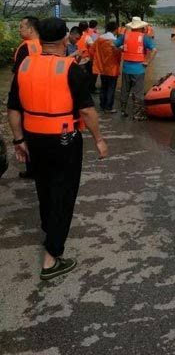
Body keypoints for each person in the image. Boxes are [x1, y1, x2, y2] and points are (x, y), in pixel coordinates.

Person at [7, 18, 108, 280]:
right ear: (65, 39)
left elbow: (13, 108)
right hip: (63, 140)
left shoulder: (25, 65)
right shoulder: (70, 68)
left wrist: (19, 141)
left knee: (44, 186)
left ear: (39, 40)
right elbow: (86, 109)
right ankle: (51, 258)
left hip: (34, 138)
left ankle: (48, 229)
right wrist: (98, 139)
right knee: (64, 192)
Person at [12, 16, 42, 178]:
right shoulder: (45, 44)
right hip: (43, 93)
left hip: (27, 96)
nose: (19, 29)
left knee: (27, 132)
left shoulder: (25, 48)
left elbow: (18, 76)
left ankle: (32, 169)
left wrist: (12, 100)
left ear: (30, 29)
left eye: (21, 26)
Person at [115, 16, 156, 120]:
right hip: (139, 69)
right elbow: (154, 50)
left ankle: (123, 111)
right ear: (141, 27)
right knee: (138, 92)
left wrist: (122, 50)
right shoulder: (144, 37)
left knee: (125, 90)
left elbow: (113, 44)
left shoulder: (125, 36)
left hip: (125, 68)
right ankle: (137, 114)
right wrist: (147, 62)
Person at [93, 21, 122, 113]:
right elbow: (118, 55)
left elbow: (92, 50)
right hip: (112, 67)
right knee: (111, 88)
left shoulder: (99, 39)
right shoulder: (115, 41)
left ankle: (102, 105)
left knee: (103, 86)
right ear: (116, 29)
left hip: (102, 67)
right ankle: (108, 107)